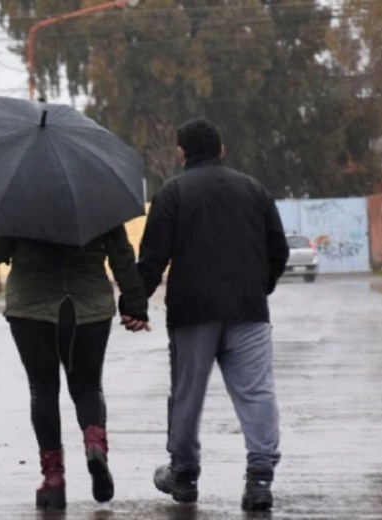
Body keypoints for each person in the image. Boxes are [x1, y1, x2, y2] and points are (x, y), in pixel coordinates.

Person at [126, 118, 289, 512]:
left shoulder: (172, 193)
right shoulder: (255, 190)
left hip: (193, 312)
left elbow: (153, 257)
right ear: (222, 150)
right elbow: (278, 251)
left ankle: (183, 476)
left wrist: (135, 305)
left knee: (188, 394)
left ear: (181, 153)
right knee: (256, 392)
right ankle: (260, 479)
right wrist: (259, 287)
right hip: (248, 311)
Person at [0, 226, 149, 511]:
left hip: (31, 305)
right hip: (89, 303)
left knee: (43, 390)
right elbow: (121, 252)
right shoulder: (98, 198)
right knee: (88, 387)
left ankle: (53, 479)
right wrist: (135, 303)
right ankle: (94, 445)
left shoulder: (17, 203)